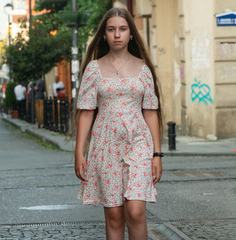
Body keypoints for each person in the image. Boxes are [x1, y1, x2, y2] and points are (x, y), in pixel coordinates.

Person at [74, 8, 163, 239]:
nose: (117, 35)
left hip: (139, 143)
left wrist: (157, 154)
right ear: (104, 35)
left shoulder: (144, 69)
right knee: (114, 215)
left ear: (130, 34)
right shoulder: (93, 69)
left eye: (122, 29)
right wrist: (79, 152)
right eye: (111, 29)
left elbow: (151, 111)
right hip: (106, 146)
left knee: (135, 211)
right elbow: (86, 112)